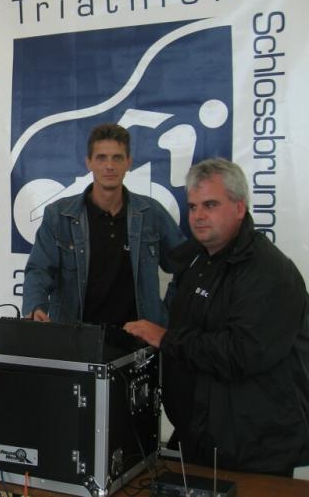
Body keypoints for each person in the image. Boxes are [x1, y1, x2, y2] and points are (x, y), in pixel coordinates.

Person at [124, 158, 309, 475]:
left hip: (253, 445)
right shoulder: (199, 260)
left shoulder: (269, 271)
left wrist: (167, 339)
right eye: (193, 206)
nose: (198, 216)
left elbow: (241, 353)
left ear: (239, 208)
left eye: (210, 205)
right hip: (203, 435)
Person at [22, 123, 184, 325]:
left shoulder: (152, 213)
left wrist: (165, 315)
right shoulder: (58, 216)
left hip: (137, 340)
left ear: (129, 163)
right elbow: (38, 270)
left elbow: (187, 266)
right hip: (76, 337)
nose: (109, 166)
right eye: (101, 158)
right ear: (89, 163)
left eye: (117, 158)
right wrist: (35, 307)